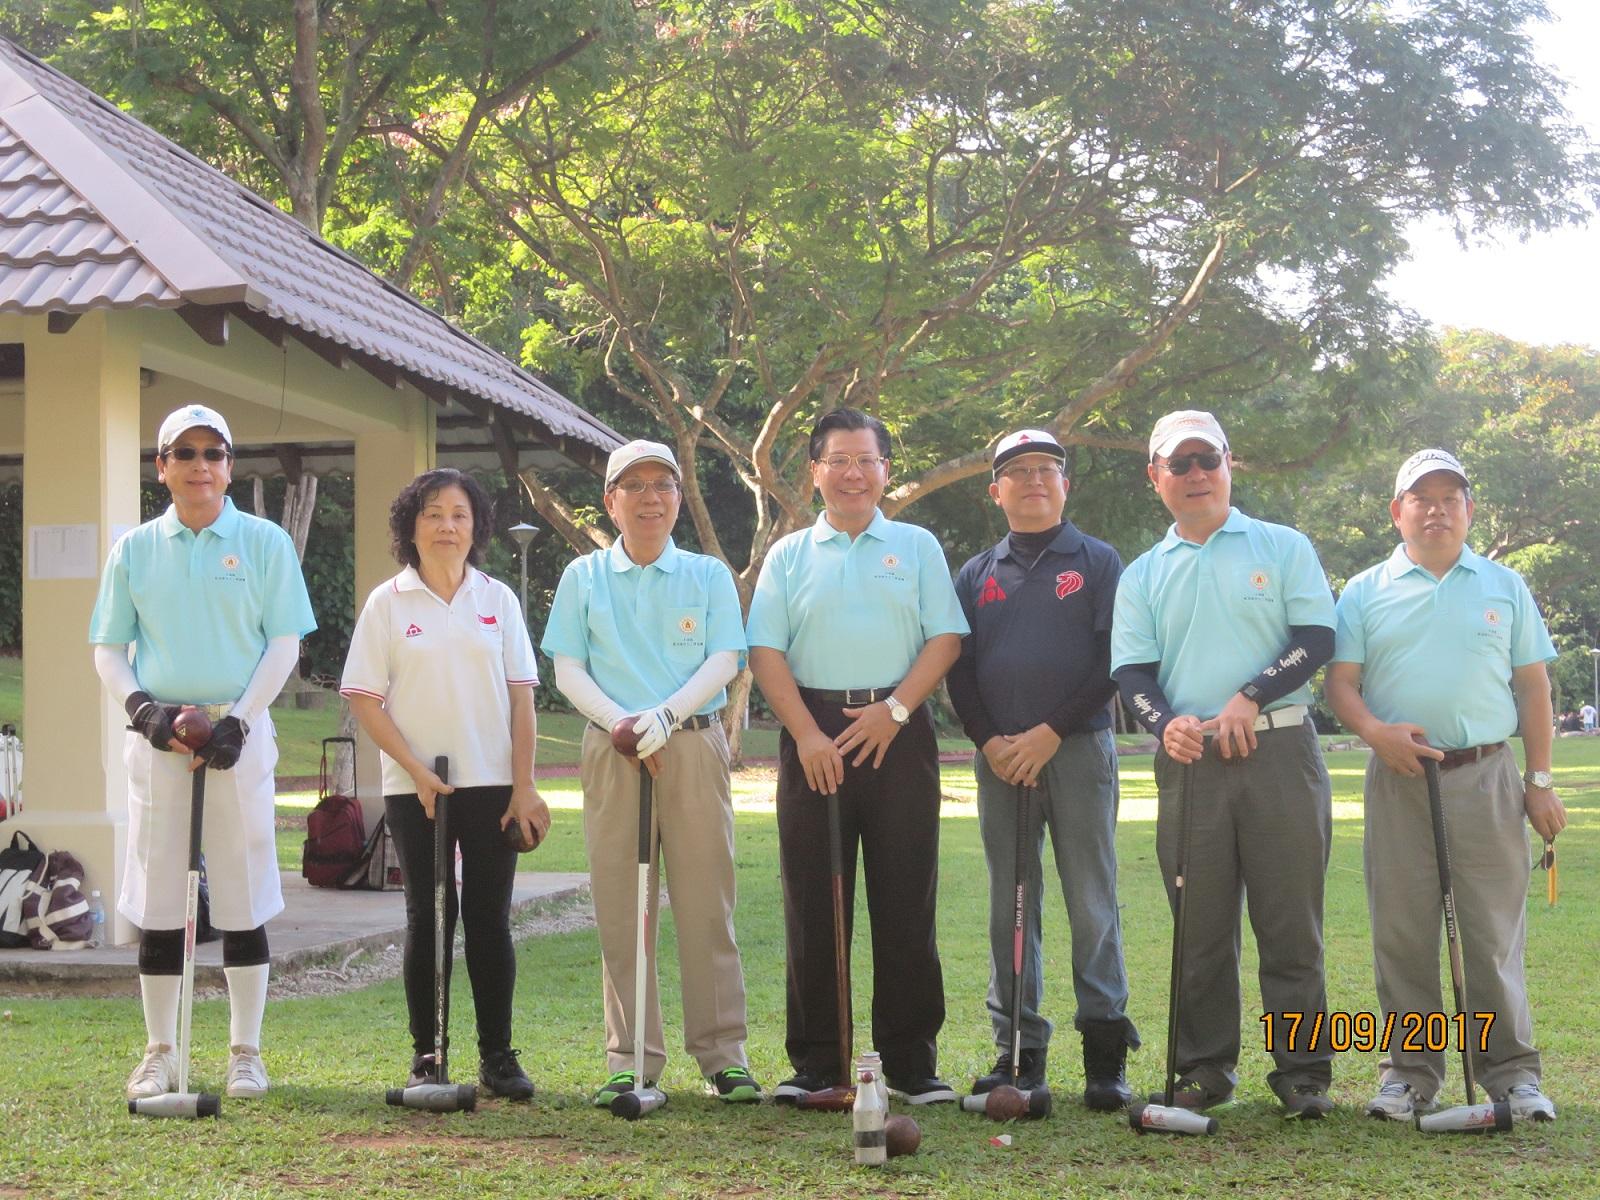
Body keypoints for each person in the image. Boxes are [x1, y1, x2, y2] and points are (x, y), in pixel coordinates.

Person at [1110, 409, 1337, 1118]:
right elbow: (1132, 673)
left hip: (1280, 750)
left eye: (1207, 459)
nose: (1196, 473)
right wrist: (1164, 723)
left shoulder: (1282, 545)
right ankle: (1203, 1070)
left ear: (1229, 464)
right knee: (1199, 928)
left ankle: (1304, 1073)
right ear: (1155, 476)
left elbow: (1317, 636)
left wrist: (1251, 694)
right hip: (1191, 762)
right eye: (1179, 463)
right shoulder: (1143, 574)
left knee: (1290, 924)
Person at [1326, 448, 1563, 1123]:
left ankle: (1512, 1074)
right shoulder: (1364, 590)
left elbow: (1532, 687)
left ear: (1469, 509)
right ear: (1396, 511)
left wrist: (1540, 781)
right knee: (1403, 934)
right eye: (1420, 498)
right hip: (1399, 777)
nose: (1436, 510)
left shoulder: (1503, 585)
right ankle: (1410, 1075)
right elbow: (1340, 684)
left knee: (1491, 934)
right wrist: (1375, 732)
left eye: (1449, 498)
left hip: (1487, 775)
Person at [90, 403, 316, 1101]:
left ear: (229, 465)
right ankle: (159, 1050)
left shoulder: (264, 542)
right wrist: (142, 711)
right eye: (184, 453)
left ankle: (246, 1051)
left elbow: (284, 643)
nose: (200, 466)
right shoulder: (134, 549)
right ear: (161, 468)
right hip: (159, 736)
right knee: (160, 894)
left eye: (212, 453)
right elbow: (109, 647)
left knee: (244, 890)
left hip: (237, 734)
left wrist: (239, 723)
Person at [746, 408, 969, 1105]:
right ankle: (820, 1063)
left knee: (907, 899)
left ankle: (910, 1063)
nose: (852, 473)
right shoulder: (788, 555)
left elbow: (946, 638)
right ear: (814, 472)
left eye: (865, 460)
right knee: (814, 901)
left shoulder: (916, 545)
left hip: (899, 729)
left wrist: (894, 710)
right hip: (812, 733)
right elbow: (765, 652)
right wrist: (808, 734)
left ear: (885, 471)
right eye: (837, 460)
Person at [541, 440, 761, 1107]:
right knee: (621, 907)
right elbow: (567, 668)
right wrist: (624, 724)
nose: (649, 498)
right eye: (632, 486)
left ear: (677, 499)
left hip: (691, 744)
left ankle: (722, 1056)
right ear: (610, 501)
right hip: (613, 749)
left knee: (707, 905)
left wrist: (665, 717)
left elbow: (725, 658)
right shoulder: (584, 576)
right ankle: (630, 1057)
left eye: (662, 486)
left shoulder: (707, 574)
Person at [340, 467, 550, 1100]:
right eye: (432, 514)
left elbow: (522, 699)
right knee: (428, 917)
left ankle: (498, 1057)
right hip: (417, 787)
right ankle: (428, 1056)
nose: (446, 526)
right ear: (411, 526)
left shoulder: (498, 600)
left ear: (476, 526)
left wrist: (524, 786)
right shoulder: (387, 602)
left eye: (459, 514)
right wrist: (415, 769)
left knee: (489, 919)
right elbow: (365, 699)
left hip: (492, 784)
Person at [946, 429, 1138, 1109]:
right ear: (995, 490)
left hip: (1077, 750)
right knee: (1012, 904)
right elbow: (959, 669)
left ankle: (1105, 1056)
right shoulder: (976, 574)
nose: (1034, 480)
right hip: (1000, 760)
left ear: (1065, 485)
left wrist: (1049, 732)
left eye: (1047, 469)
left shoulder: (1098, 561)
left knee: (1092, 899)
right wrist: (992, 742)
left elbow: (1113, 662)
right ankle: (1018, 1052)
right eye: (1018, 471)